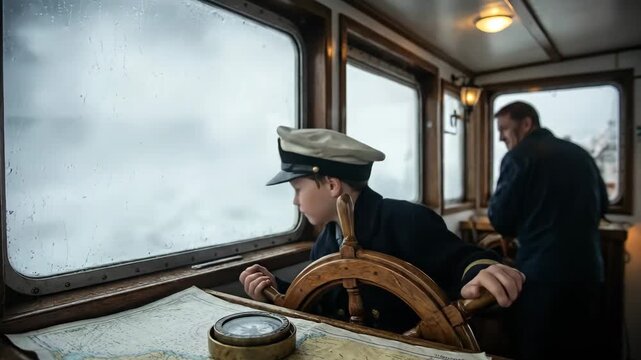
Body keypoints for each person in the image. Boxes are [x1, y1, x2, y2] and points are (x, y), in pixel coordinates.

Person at [240, 126, 524, 333]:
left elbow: (464, 260)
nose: (294, 199)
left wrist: (483, 272)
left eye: (297, 188)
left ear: (331, 185)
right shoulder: (326, 242)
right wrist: (277, 288)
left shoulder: (405, 221)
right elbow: (322, 304)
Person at [489, 101, 608, 359]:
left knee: (538, 349)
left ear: (527, 124)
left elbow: (501, 220)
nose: (500, 137)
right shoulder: (581, 154)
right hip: (589, 273)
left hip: (542, 278)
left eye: (504, 129)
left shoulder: (518, 157)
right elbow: (603, 206)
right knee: (581, 348)